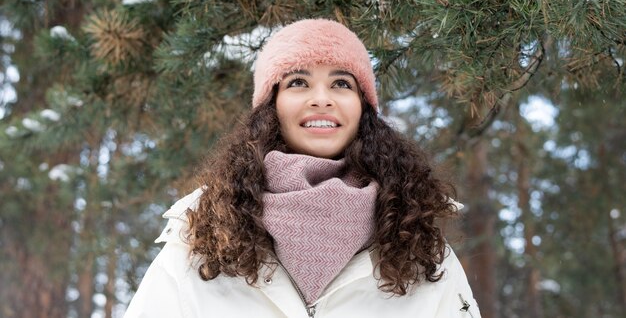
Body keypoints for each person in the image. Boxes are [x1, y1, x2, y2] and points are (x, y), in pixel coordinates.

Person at [124, 19, 481, 318]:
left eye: (341, 83)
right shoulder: (203, 237)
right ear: (271, 105)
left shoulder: (417, 244)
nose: (321, 98)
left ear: (363, 107)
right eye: (298, 82)